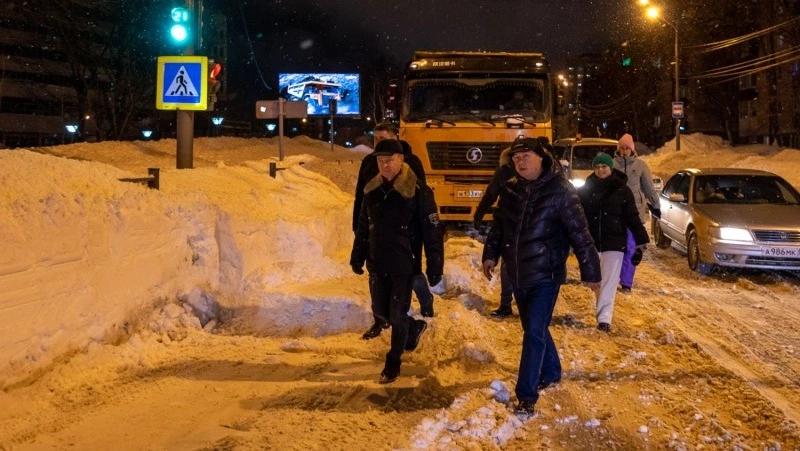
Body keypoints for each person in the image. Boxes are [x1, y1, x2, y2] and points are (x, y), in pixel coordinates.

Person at [481, 137, 601, 415]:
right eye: (516, 159)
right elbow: (499, 227)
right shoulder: (510, 190)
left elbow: (580, 233)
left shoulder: (561, 191)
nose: (520, 163)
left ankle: (526, 393)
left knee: (533, 331)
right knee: (534, 328)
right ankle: (552, 370)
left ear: (541, 157)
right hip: (517, 272)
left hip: (546, 274)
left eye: (526, 157)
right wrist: (491, 255)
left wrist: (591, 271)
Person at [350, 139, 444, 384]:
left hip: (405, 263)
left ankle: (393, 362)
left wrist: (435, 266)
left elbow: (432, 232)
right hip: (377, 263)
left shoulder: (418, 191)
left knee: (398, 314)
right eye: (380, 161)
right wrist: (357, 256)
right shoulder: (371, 190)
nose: (385, 165)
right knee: (382, 313)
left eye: (389, 160)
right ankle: (414, 329)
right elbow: (363, 227)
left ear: (401, 160)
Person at [353, 123, 434, 342]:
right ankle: (381, 319)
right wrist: (358, 226)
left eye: (383, 138)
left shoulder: (411, 160)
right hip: (377, 229)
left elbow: (420, 197)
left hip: (404, 235)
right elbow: (361, 196)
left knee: (413, 276)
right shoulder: (370, 162)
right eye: (376, 139)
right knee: (377, 278)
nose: (378, 142)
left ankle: (425, 303)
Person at [578, 153, 649, 333]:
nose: (601, 170)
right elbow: (577, 216)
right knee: (597, 281)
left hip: (614, 242)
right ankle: (602, 309)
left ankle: (604, 318)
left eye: (604, 167)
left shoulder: (622, 190)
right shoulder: (586, 189)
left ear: (611, 168)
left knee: (609, 282)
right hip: (592, 242)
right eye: (598, 167)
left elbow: (632, 216)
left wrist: (641, 240)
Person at [612, 134, 659, 294]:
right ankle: (613, 277)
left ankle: (626, 282)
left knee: (631, 248)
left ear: (632, 150)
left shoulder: (640, 166)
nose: (625, 151)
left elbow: (648, 188)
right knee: (616, 249)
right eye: (622, 148)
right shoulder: (611, 165)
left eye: (627, 148)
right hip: (616, 215)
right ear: (618, 149)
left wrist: (655, 205)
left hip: (635, 214)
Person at [473, 145, 516, 318]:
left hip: (534, 232)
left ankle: (532, 306)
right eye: (516, 157)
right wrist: (479, 213)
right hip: (510, 227)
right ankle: (506, 303)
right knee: (507, 268)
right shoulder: (504, 172)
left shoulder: (542, 174)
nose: (520, 161)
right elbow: (491, 194)